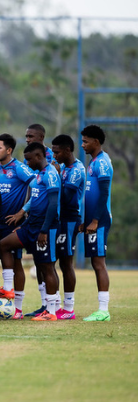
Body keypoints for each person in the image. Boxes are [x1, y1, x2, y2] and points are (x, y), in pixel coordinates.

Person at [0, 142, 61, 321]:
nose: (26, 163)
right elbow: (35, 202)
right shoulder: (39, 175)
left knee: (46, 267)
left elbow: (53, 204)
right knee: (3, 245)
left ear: (39, 157)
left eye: (29, 159)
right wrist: (23, 225)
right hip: (30, 226)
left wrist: (44, 230)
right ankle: (8, 287)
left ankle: (51, 311)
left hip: (44, 228)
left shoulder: (51, 174)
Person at [0, 134, 35, 319]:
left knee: (17, 264)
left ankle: (17, 308)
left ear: (9, 150)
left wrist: (23, 212)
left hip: (11, 223)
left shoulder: (19, 168)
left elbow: (38, 188)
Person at [80, 124, 113, 322]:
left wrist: (94, 220)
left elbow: (104, 194)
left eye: (85, 141)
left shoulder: (102, 163)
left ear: (96, 142)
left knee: (99, 262)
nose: (82, 144)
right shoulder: (93, 163)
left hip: (100, 221)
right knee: (95, 262)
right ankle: (101, 309)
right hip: (92, 221)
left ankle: (104, 310)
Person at [52, 134, 85, 320]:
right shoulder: (64, 167)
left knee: (66, 262)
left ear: (67, 150)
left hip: (70, 219)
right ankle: (55, 305)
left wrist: (56, 176)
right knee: (53, 260)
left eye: (57, 152)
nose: (54, 155)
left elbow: (67, 198)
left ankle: (69, 308)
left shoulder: (77, 170)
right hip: (59, 218)